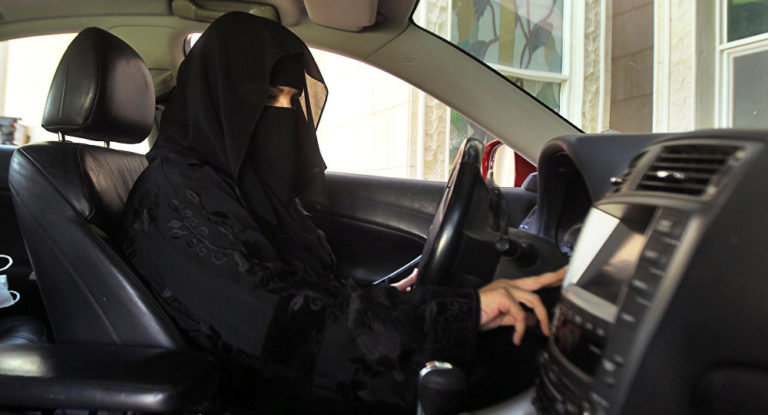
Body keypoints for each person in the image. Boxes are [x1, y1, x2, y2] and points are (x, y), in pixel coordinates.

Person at [120, 11, 565, 413]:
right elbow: (277, 323)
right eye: (269, 97)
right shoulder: (174, 194)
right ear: (218, 98)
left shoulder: (233, 184)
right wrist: (458, 313)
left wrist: (401, 299)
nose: (286, 116)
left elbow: (299, 291)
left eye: (293, 98)